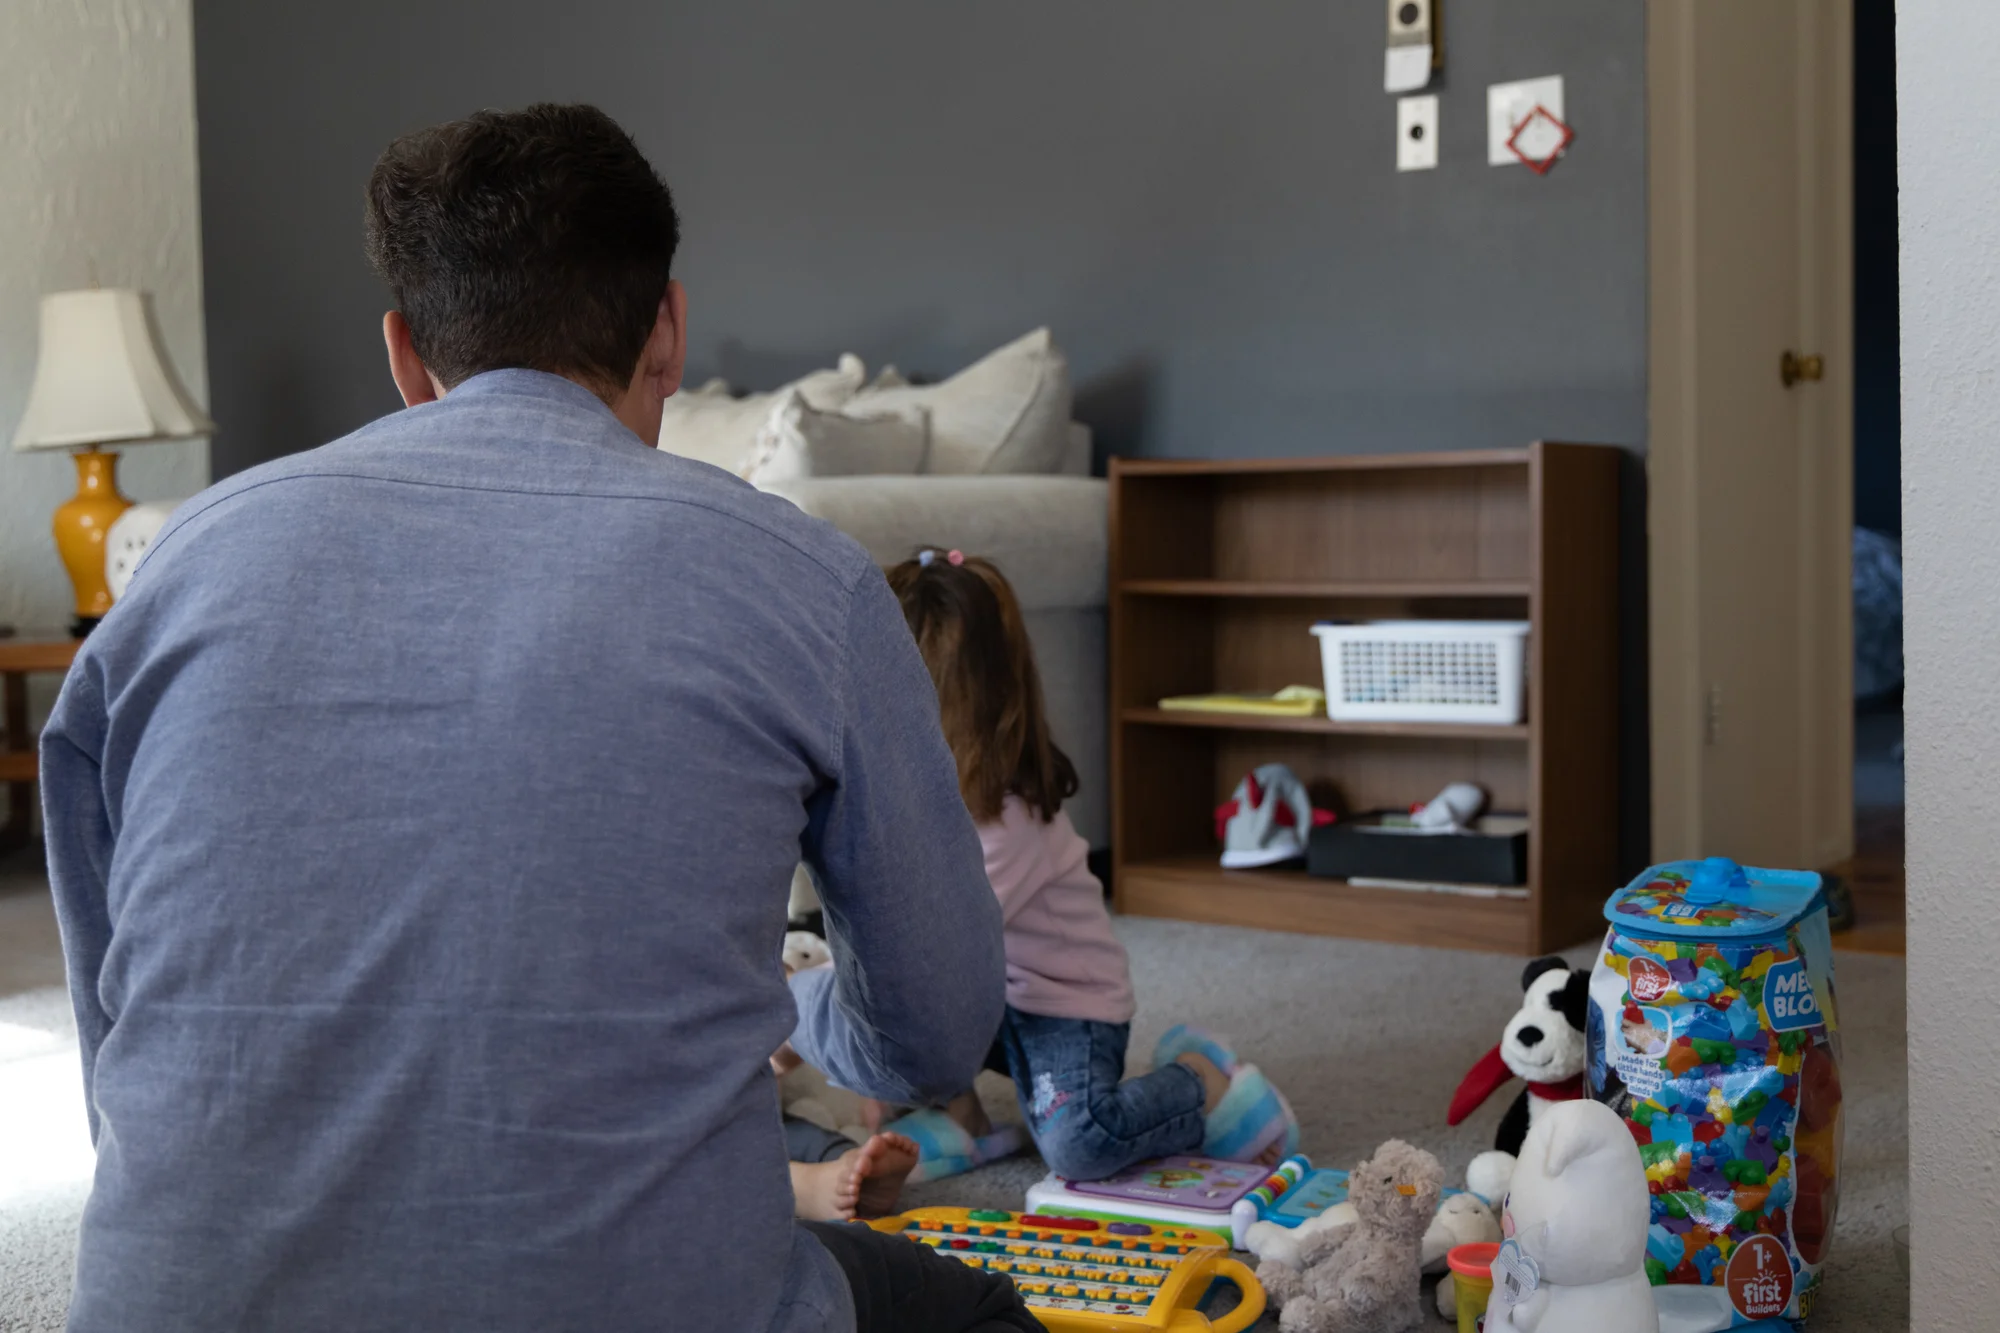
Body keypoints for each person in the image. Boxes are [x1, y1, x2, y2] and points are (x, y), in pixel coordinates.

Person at [39, 104, 1038, 1333]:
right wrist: (791, 1002)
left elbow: (118, 1040)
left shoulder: (176, 570)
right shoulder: (806, 579)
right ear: (666, 327)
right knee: (980, 1309)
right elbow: (935, 1036)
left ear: (407, 357)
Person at [885, 549, 1299, 1180]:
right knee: (903, 996)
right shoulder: (908, 787)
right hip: (991, 995)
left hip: (1064, 1009)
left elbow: (931, 947)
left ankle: (1200, 1083)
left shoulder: (1006, 823)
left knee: (1081, 1144)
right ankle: (962, 1113)